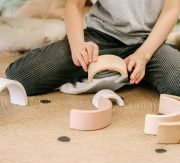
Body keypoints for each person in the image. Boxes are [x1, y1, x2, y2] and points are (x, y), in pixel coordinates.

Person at [6, 0, 180, 96]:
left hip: (148, 44)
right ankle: (115, 71)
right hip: (99, 38)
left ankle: (131, 71)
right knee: (20, 77)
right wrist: (77, 46)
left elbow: (171, 10)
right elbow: (73, 5)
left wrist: (143, 55)